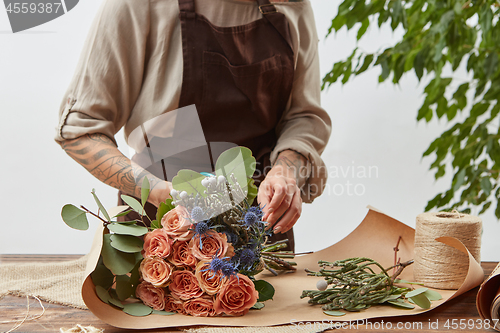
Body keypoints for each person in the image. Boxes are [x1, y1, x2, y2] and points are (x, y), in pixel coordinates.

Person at [55, 0, 331, 251]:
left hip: (260, 233)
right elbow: (81, 131)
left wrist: (284, 173)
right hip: (161, 232)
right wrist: (161, 193)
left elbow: (303, 117)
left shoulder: (290, 5)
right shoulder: (139, 5)